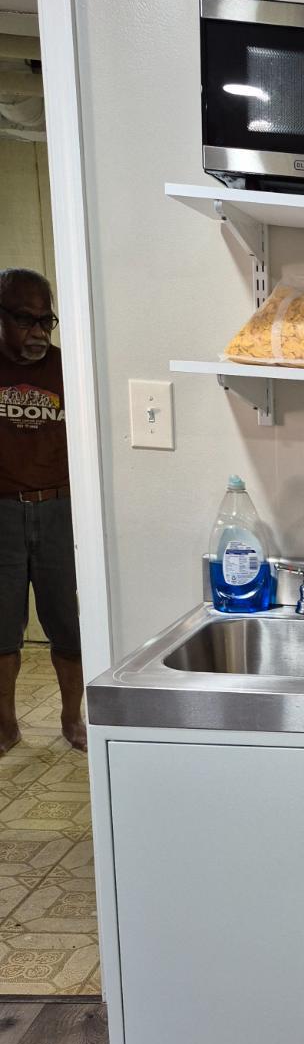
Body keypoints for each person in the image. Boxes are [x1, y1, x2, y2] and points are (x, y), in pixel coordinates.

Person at [0, 268, 85, 753]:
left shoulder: (67, 368)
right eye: (24, 319)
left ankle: (73, 718)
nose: (37, 332)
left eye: (45, 320)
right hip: (2, 514)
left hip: (60, 508)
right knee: (2, 632)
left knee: (68, 625)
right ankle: (6, 725)